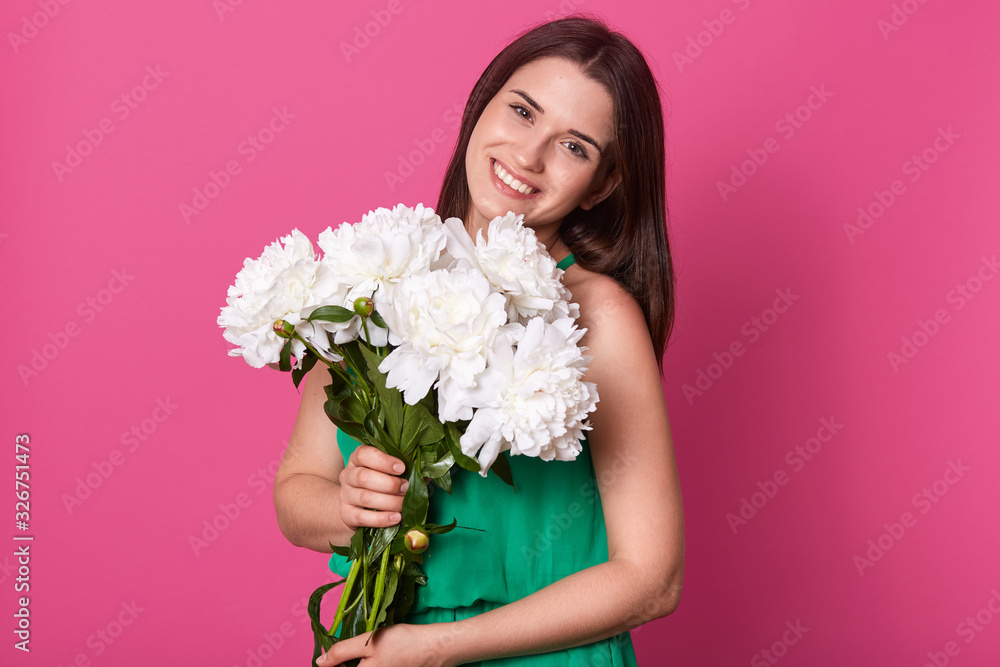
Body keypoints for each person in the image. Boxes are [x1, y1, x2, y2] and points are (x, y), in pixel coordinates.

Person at [274, 16, 684, 666]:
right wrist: (346, 503)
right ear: (480, 104)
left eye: (574, 147)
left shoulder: (599, 316)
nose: (528, 155)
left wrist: (439, 647)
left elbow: (652, 577)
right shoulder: (375, 276)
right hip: (379, 648)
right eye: (522, 111)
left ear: (602, 184)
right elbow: (298, 488)